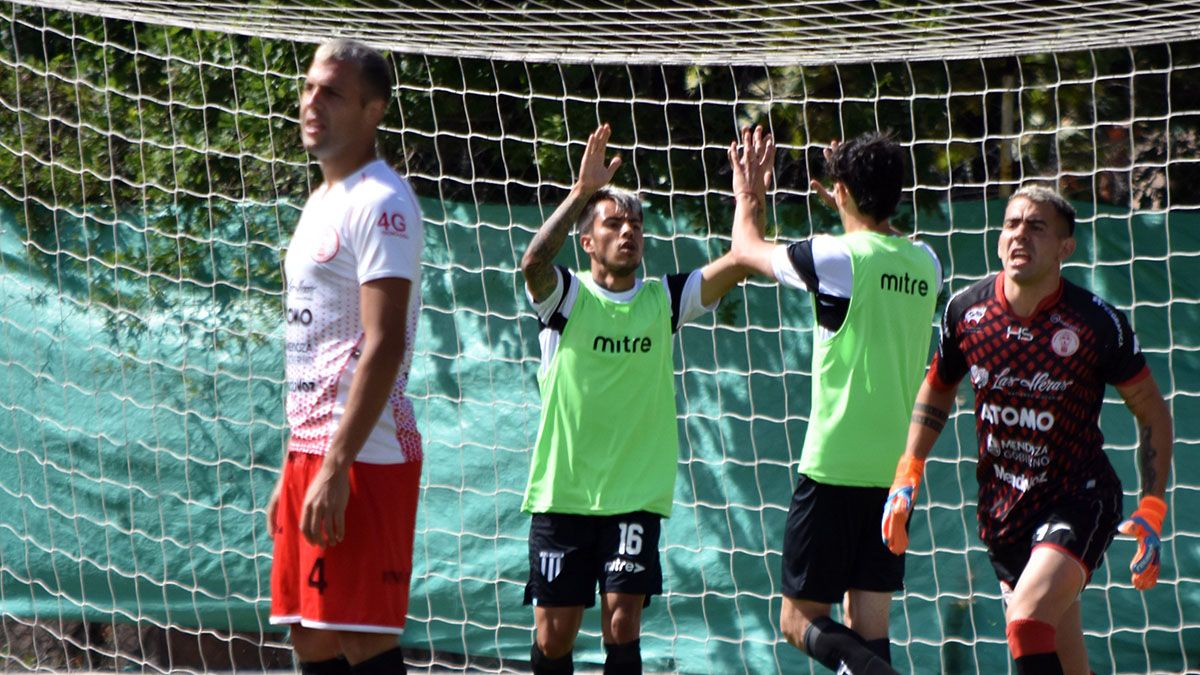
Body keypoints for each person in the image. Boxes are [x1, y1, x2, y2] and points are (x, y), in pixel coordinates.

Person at [882, 185, 1174, 675]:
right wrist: (907, 473)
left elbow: (1152, 411)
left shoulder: (1095, 324)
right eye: (1011, 224)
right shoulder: (965, 312)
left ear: (1065, 248)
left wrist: (1153, 504)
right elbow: (936, 389)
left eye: (1036, 227)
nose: (1020, 235)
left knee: (1025, 623)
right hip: (1003, 511)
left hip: (1079, 497)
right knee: (1062, 654)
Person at [519, 123, 751, 674]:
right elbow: (531, 264)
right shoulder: (567, 297)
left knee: (622, 624)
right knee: (555, 640)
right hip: (564, 495)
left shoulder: (664, 300)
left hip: (633, 498)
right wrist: (579, 193)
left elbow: (738, 262)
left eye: (636, 224)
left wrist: (749, 202)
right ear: (588, 238)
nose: (629, 232)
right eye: (614, 223)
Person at [729, 127, 942, 675]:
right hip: (894, 475)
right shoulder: (926, 263)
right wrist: (848, 202)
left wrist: (749, 196)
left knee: (798, 622)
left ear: (840, 190)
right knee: (870, 630)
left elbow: (746, 249)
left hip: (833, 467)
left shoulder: (836, 258)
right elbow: (875, 248)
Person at [266, 39, 424, 675]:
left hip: (364, 453)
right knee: (309, 634)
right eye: (308, 89)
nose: (311, 102)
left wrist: (334, 465)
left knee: (360, 639)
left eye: (331, 92)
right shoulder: (320, 200)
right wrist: (293, 463)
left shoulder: (382, 202)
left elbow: (383, 343)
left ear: (373, 110)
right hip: (311, 450)